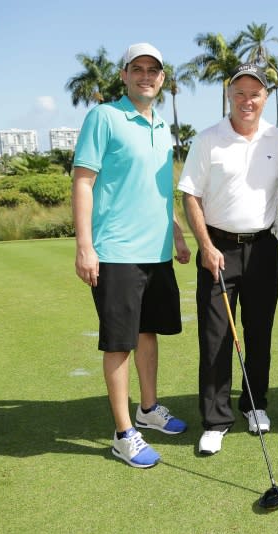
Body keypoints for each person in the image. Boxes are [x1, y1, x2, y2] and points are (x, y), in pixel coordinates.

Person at [72, 43, 191, 469]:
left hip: (155, 252)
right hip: (116, 252)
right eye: (137, 69)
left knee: (148, 333)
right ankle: (124, 433)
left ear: (162, 78)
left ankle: (148, 408)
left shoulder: (161, 126)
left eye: (153, 70)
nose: (146, 76)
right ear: (124, 75)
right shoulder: (104, 117)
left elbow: (158, 192)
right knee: (120, 343)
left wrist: (176, 234)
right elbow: (83, 181)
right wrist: (85, 246)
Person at [178, 63, 278, 455]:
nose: (247, 100)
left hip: (262, 249)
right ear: (229, 95)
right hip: (218, 249)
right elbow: (190, 194)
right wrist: (205, 244)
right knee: (215, 338)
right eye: (240, 92)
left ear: (265, 98)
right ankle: (215, 419)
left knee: (259, 334)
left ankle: (254, 404)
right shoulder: (209, 139)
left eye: (254, 93)